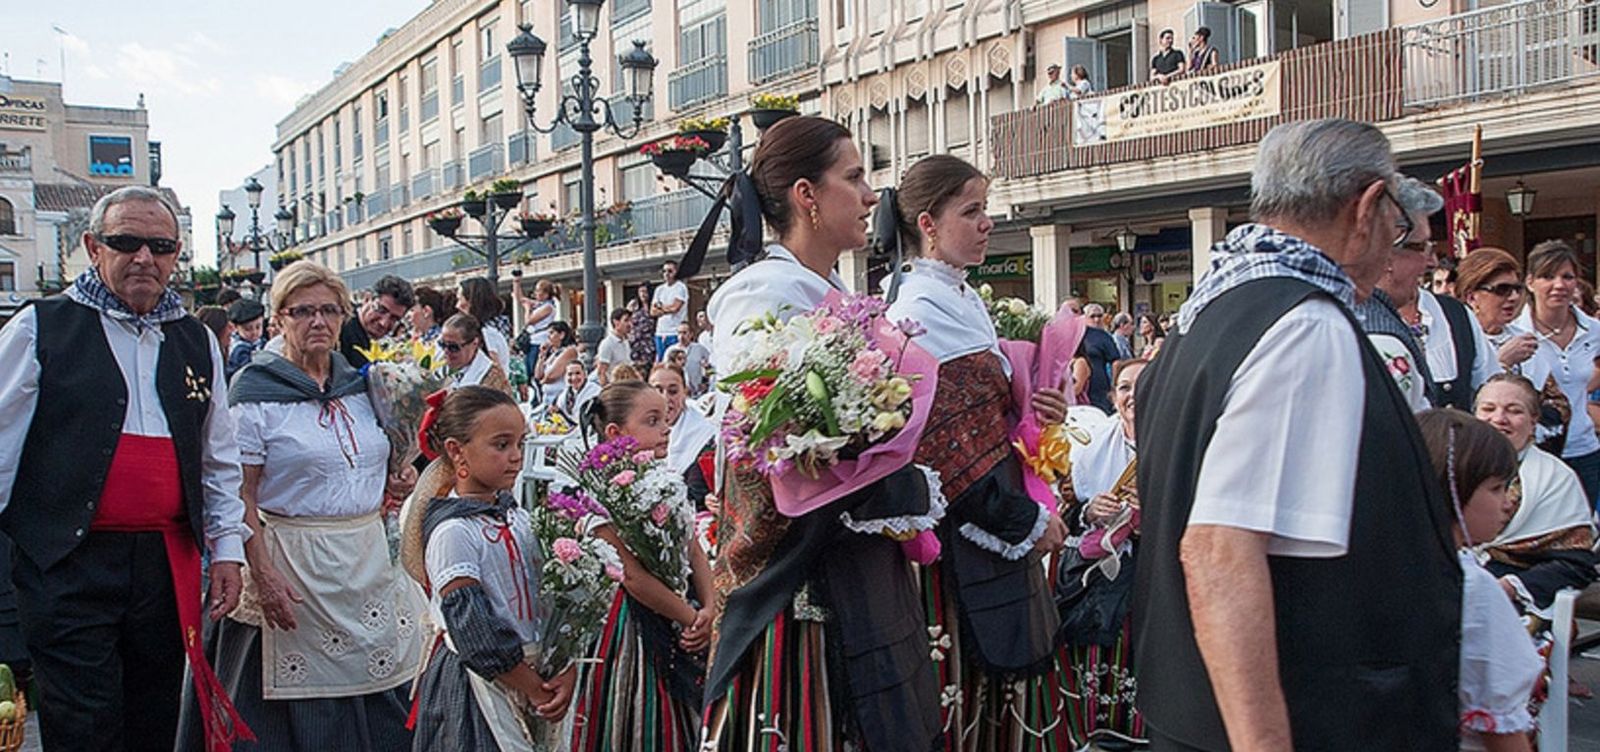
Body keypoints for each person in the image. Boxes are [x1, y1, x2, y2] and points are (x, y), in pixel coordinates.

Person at [1133, 119, 1459, 750]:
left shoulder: (1215, 307)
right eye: (1398, 227)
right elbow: (1219, 551)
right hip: (1304, 717)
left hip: (1203, 712)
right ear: (1365, 208)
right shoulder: (1304, 323)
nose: (1396, 246)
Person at [699, 115, 941, 750]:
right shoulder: (763, 293)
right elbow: (762, 442)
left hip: (852, 556)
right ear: (807, 195)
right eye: (855, 177)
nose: (870, 196)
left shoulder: (832, 288)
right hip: (797, 577)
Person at [0, 186, 250, 751]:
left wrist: (228, 550)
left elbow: (217, 457)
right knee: (84, 720)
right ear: (93, 247)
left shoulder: (194, 339)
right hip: (69, 561)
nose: (144, 257)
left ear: (176, 253)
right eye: (126, 242)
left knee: (156, 713)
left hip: (163, 565)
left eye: (160, 246)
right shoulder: (40, 328)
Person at [884, 154, 1071, 749]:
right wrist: (1027, 519)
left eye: (985, 209)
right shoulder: (918, 311)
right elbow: (945, 453)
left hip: (996, 528)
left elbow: (987, 423)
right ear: (928, 224)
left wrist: (1039, 414)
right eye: (971, 211)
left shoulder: (962, 299)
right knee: (973, 709)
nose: (987, 222)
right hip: (968, 544)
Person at [205, 261, 422, 751]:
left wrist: (398, 479)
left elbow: (379, 464)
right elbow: (240, 492)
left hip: (364, 564)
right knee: (301, 715)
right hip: (291, 566)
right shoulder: (256, 393)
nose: (317, 322)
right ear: (278, 317)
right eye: (302, 311)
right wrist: (261, 573)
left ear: (345, 315)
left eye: (328, 310)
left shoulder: (364, 386)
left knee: (380, 697)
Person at [409, 386, 577, 751]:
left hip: (535, 677)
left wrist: (565, 665)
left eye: (520, 443)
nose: (516, 457)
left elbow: (549, 597)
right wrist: (532, 686)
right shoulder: (453, 532)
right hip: (478, 685)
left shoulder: (518, 519)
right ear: (456, 451)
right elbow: (472, 627)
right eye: (501, 445)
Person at [569, 381, 715, 752]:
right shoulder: (595, 497)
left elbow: (693, 548)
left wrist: (710, 608)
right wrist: (688, 615)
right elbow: (630, 576)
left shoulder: (666, 483)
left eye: (666, 419)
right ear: (616, 433)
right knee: (634, 718)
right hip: (627, 627)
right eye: (652, 421)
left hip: (679, 612)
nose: (666, 429)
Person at [1414, 409, 1541, 752]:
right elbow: (1500, 729)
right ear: (1453, 488)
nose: (1506, 504)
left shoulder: (1396, 567)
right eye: (1497, 488)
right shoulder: (1471, 587)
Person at [1060, 358, 1148, 749]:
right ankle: (1099, 728)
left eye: (1144, 385)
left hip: (1155, 573)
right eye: (1125, 387)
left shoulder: (1177, 440)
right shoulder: (1091, 446)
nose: (1133, 395)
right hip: (1100, 577)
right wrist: (1089, 510)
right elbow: (1064, 515)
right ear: (1112, 397)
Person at [1475, 374, 1599, 617]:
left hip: (1516, 599)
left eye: (1514, 411)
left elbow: (1576, 564)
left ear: (1533, 422)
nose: (1499, 419)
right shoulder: (1448, 467)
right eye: (1488, 409)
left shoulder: (1556, 478)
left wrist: (1510, 587)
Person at [1383, 179, 1498, 411]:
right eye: (1421, 247)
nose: (1432, 261)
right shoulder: (1344, 319)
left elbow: (1489, 389)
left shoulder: (1455, 315)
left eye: (1431, 248)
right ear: (1385, 249)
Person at [1511, 240, 1600, 506]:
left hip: (1585, 451)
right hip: (1535, 454)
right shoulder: (1516, 334)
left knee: (1585, 533)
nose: (1559, 285)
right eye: (1548, 276)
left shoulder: (1593, 330)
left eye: (1567, 277)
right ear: (1530, 282)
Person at [1458, 248, 1538, 373]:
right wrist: (1502, 362)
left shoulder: (1525, 337)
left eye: (1517, 289)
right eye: (1502, 289)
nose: (1514, 297)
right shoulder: (1457, 342)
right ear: (1472, 298)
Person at [650, 363, 716, 510]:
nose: (665, 398)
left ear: (685, 393)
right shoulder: (639, 429)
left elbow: (698, 493)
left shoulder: (704, 434)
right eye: (658, 390)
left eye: (673, 391)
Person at [341, 274, 415, 369]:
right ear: (367, 299)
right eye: (381, 310)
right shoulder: (341, 330)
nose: (383, 323)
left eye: (394, 318)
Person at [440, 314, 513, 396]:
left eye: (453, 347)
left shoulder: (493, 378)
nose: (446, 351)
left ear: (474, 343)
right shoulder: (444, 373)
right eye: (442, 344)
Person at [458, 277, 512, 372]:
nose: (457, 305)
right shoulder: (489, 330)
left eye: (460, 299)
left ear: (471, 301)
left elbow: (495, 370)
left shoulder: (486, 333)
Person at [512, 276, 560, 378]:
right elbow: (520, 299)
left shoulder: (548, 307)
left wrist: (527, 308)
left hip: (539, 342)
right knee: (527, 370)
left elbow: (529, 321)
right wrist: (516, 283)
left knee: (532, 370)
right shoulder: (540, 305)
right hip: (532, 340)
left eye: (538, 291)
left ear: (546, 294)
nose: (536, 293)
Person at [1080, 304, 1120, 412]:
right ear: (1084, 317)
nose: (1096, 320)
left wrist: (1114, 384)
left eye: (1099, 316)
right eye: (1092, 316)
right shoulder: (1077, 334)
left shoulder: (1104, 336)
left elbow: (1116, 362)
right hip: (1079, 385)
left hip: (1099, 386)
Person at [532, 321, 582, 404]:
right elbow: (538, 375)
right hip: (547, 397)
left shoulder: (569, 351)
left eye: (551, 333)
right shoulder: (552, 354)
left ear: (562, 335)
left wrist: (542, 382)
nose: (548, 337)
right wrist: (542, 356)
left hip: (560, 397)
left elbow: (552, 376)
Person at [651, 261, 690, 359]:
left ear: (676, 272)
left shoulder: (680, 287)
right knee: (662, 361)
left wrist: (660, 307)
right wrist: (665, 309)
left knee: (676, 360)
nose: (666, 274)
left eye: (670, 271)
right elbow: (652, 311)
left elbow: (675, 308)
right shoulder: (659, 289)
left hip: (675, 332)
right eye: (664, 271)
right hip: (660, 332)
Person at [226, 298, 267, 380]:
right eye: (248, 329)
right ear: (235, 327)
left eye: (258, 327)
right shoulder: (239, 350)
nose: (254, 332)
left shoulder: (261, 342)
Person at [595, 307, 634, 386]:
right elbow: (601, 372)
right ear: (616, 322)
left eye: (630, 320)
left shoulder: (626, 342)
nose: (630, 324)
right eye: (626, 320)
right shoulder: (607, 344)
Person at [674, 321, 712, 396]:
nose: (681, 336)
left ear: (691, 334)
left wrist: (706, 383)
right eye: (679, 333)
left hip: (697, 393)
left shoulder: (700, 349)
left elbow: (710, 367)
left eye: (684, 333)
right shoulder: (670, 351)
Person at [628, 283, 657, 369]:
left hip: (649, 343)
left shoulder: (654, 308)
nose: (642, 294)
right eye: (640, 292)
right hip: (636, 343)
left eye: (645, 291)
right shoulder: (635, 308)